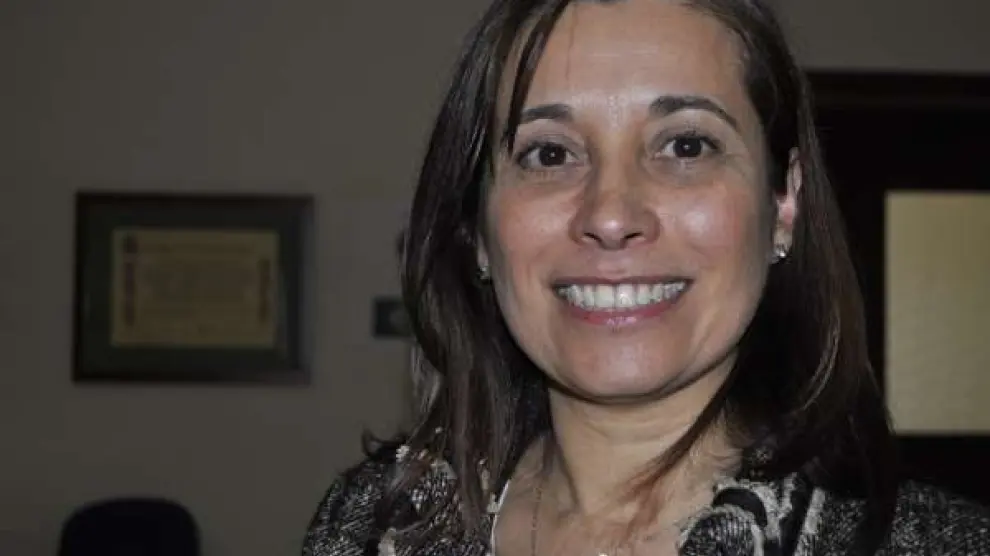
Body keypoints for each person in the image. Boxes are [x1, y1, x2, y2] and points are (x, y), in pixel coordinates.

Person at [303, 0, 990, 554]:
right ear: (477, 229)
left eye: (686, 145)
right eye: (549, 154)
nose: (610, 215)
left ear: (783, 204)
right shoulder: (366, 528)